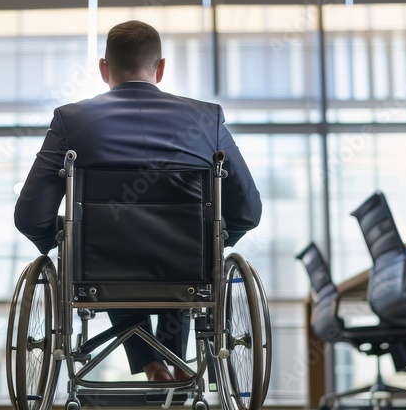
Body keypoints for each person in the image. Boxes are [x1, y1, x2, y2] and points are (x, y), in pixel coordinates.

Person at [13, 21, 262, 381]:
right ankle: (171, 358)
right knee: (190, 251)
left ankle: (151, 362)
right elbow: (249, 211)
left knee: (104, 247)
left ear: (103, 69)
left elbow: (29, 215)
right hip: (185, 268)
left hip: (99, 269)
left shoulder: (70, 121)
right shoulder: (208, 119)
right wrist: (213, 243)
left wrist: (64, 241)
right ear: (160, 69)